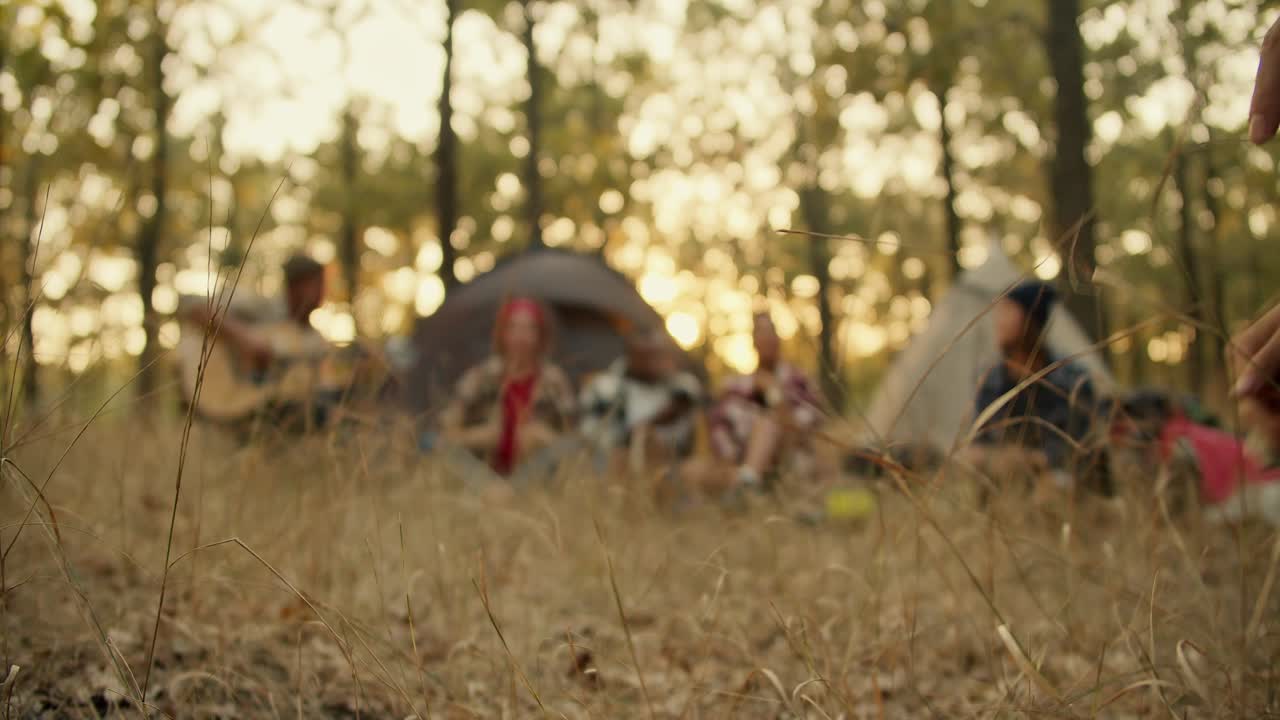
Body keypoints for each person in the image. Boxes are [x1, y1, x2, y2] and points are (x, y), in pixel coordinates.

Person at [179, 253, 345, 427]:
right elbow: (191, 306)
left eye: (323, 284)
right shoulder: (262, 309)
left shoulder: (315, 339)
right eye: (315, 283)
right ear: (294, 286)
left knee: (332, 408)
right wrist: (244, 340)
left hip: (274, 412)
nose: (322, 291)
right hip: (230, 400)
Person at [966, 281, 1101, 489]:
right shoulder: (991, 380)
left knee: (1053, 490)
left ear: (1031, 320)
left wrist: (1026, 460)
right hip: (1008, 489)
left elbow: (1081, 452)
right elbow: (976, 449)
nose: (998, 322)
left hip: (1065, 490)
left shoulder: (1072, 380)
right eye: (998, 313)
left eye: (1008, 312)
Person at [436, 297, 576, 476]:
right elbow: (444, 436)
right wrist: (477, 436)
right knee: (449, 455)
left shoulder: (554, 382)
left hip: (533, 478)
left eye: (529, 328)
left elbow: (575, 443)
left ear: (540, 335)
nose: (521, 336)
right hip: (482, 478)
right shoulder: (480, 377)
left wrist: (544, 437)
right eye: (514, 327)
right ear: (502, 333)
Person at [708, 311, 825, 492]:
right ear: (753, 342)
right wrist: (729, 465)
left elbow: (803, 432)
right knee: (691, 471)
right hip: (738, 465)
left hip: (788, 466)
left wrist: (774, 394)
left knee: (768, 424)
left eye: (771, 332)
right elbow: (719, 431)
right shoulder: (735, 387)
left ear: (778, 339)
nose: (767, 339)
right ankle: (745, 480)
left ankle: (746, 484)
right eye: (760, 333)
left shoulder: (798, 381)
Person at [579, 324, 704, 476]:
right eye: (646, 355)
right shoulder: (606, 388)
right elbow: (590, 435)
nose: (653, 361)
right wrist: (633, 441)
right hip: (615, 466)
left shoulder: (680, 389)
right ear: (631, 355)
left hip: (672, 469)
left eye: (658, 354)